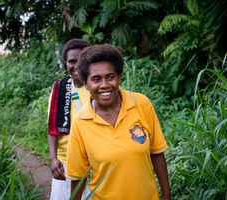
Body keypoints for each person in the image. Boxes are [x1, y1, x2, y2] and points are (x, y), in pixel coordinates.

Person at [66, 44, 171, 200]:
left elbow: (156, 153)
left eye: (110, 77)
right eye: (96, 79)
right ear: (86, 84)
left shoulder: (141, 104)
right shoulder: (80, 121)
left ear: (119, 77)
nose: (104, 85)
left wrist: (167, 195)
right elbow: (78, 176)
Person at [47, 38, 91, 200]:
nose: (77, 65)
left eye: (82, 60)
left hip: (95, 160)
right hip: (65, 162)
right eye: (72, 61)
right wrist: (53, 158)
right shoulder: (60, 88)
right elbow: (52, 128)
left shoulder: (100, 88)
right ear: (65, 63)